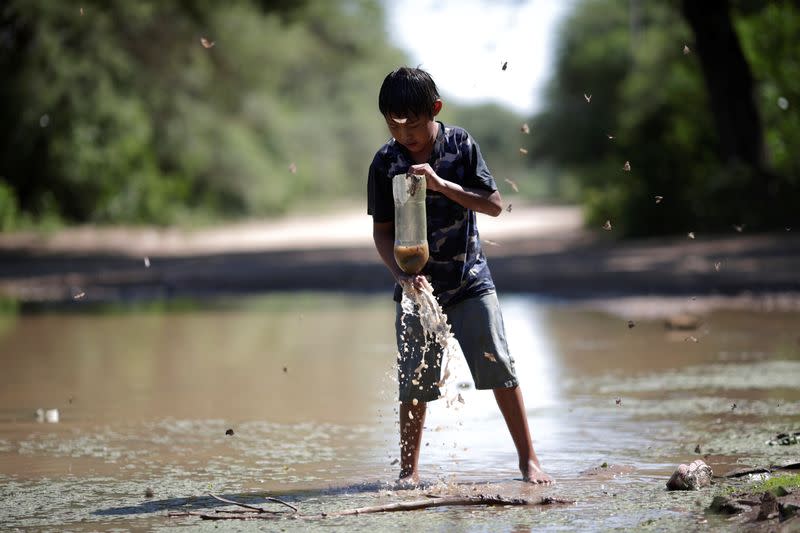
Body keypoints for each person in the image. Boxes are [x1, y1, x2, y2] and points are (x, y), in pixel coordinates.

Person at [367, 67, 553, 486]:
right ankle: (408, 472)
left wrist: (441, 184)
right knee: (414, 379)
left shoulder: (460, 145)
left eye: (413, 125)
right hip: (417, 288)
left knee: (499, 366)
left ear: (435, 109)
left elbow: (492, 205)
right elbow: (382, 233)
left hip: (470, 281)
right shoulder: (385, 162)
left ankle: (529, 461)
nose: (405, 136)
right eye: (394, 127)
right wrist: (401, 277)